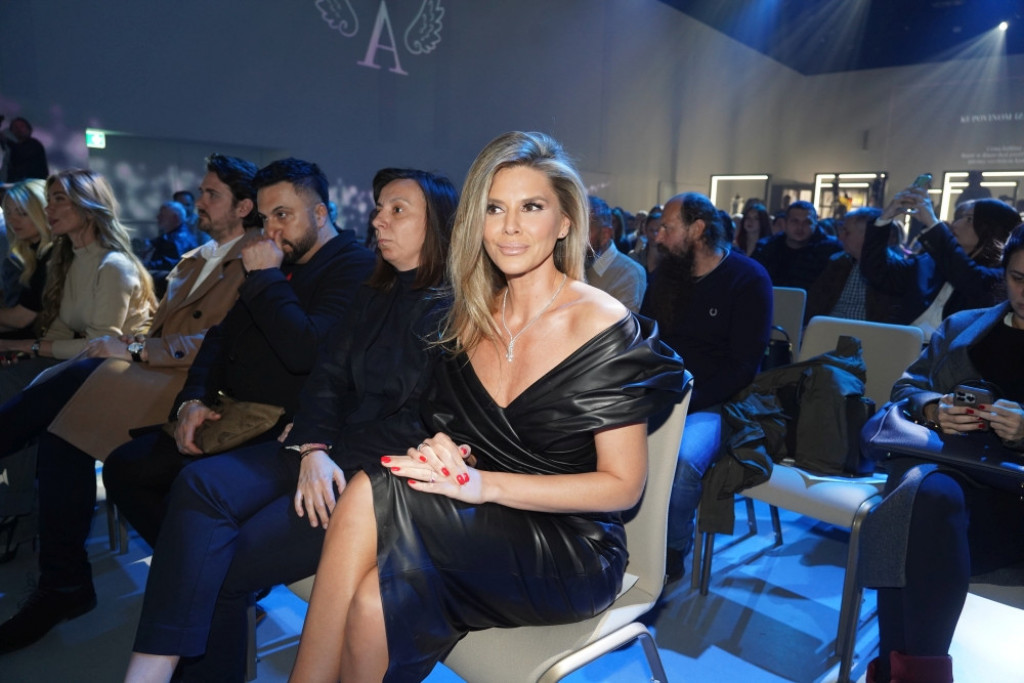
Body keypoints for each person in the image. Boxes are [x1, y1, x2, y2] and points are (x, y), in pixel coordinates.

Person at [285, 131, 686, 682]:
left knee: (369, 490)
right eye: (494, 209)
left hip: (570, 548)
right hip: (478, 522)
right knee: (374, 605)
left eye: (531, 207)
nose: (510, 227)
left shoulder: (601, 325)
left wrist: (484, 485)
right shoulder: (466, 319)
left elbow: (622, 487)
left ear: (565, 222)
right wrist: (451, 452)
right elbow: (464, 437)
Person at [118, 167, 458, 681]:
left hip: (376, 474)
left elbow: (424, 421)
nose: (377, 220)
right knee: (199, 483)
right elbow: (327, 376)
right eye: (379, 208)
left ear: (438, 222)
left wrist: (326, 450)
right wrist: (312, 444)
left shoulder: (456, 308)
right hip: (320, 448)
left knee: (224, 563)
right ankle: (153, 666)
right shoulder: (376, 290)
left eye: (397, 210)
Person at [0, 154, 263, 654]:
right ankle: (64, 583)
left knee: (76, 382)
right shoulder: (197, 257)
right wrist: (133, 345)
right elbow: (157, 329)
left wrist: (138, 349)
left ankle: (65, 584)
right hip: (156, 374)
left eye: (211, 194)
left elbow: (221, 342)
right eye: (201, 192)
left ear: (243, 206)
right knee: (61, 429)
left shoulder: (253, 260)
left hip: (195, 387)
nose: (199, 201)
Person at [103, 157, 376, 548]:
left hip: (282, 427)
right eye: (265, 218)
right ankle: (196, 565)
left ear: (319, 214)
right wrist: (192, 401)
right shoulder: (281, 260)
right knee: (123, 467)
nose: (271, 230)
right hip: (229, 414)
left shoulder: (354, 266)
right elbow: (219, 338)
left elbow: (306, 350)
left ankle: (205, 567)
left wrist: (265, 276)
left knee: (185, 487)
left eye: (283, 215)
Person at [864, 222, 1024, 683]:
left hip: (1011, 497)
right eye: (1018, 278)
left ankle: (892, 672)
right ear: (1003, 274)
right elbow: (905, 389)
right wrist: (934, 408)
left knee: (912, 514)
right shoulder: (963, 326)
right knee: (923, 500)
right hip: (949, 475)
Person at [640, 192, 772, 578]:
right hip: (664, 391)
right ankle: (622, 537)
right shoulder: (667, 276)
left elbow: (743, 369)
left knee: (682, 463)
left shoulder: (747, 279)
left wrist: (687, 400)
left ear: (697, 230)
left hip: (717, 401)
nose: (658, 237)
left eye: (667, 228)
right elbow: (646, 339)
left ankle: (672, 549)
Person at [0, 169, 156, 401]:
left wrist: (26, 346)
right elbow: (60, 331)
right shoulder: (68, 260)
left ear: (89, 208)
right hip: (87, 362)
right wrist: (23, 351)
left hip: (121, 368)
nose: (48, 208)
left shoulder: (113, 265)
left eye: (59, 199)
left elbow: (100, 344)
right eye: (48, 200)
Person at [862, 190, 1019, 338]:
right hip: (906, 343)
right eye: (960, 217)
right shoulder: (931, 262)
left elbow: (970, 278)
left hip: (950, 354)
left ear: (992, 229)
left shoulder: (1003, 275)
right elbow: (877, 272)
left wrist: (932, 223)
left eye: (969, 219)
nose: (956, 224)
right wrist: (885, 219)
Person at [805, 207, 903, 323]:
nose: (840, 237)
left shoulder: (895, 270)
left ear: (868, 236)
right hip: (828, 328)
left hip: (867, 332)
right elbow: (814, 304)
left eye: (847, 232)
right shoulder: (838, 262)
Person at [0, 179, 53, 337]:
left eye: (22, 213)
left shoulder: (51, 254)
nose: (12, 220)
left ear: (44, 212)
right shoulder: (32, 254)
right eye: (8, 213)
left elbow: (21, 319)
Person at [753, 200, 842, 290]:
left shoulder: (830, 251)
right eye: (795, 221)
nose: (800, 227)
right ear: (786, 223)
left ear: (815, 224)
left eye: (807, 222)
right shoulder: (767, 248)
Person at [586, 195, 647, 311]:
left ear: (605, 235)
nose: (572, 238)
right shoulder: (570, 263)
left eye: (582, 231)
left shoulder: (630, 274)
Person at [143, 200, 200, 296]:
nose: (158, 217)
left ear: (175, 218)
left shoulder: (179, 239)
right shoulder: (173, 235)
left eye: (162, 215)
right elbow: (158, 241)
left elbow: (170, 264)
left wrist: (144, 265)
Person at [0, 116, 49, 183]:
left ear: (28, 129)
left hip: (33, 184)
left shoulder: (34, 144)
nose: (19, 129)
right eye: (15, 127)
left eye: (22, 126)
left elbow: (22, 153)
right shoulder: (7, 148)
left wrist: (7, 140)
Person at [629, 204, 663, 274]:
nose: (654, 234)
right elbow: (628, 270)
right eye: (651, 230)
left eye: (658, 230)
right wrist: (636, 251)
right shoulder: (638, 255)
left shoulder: (668, 257)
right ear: (645, 231)